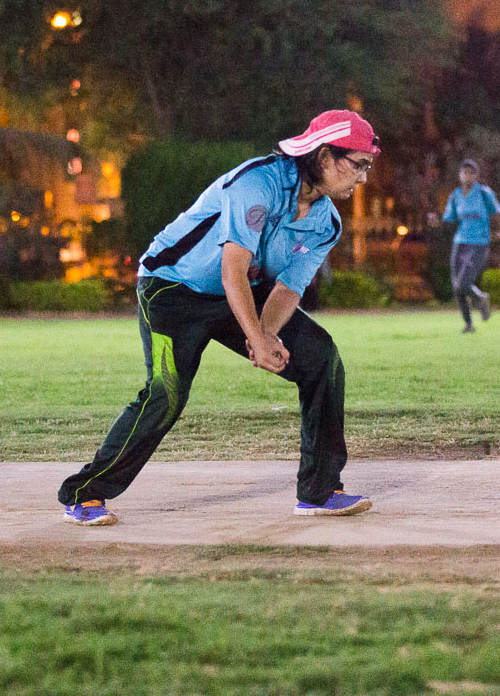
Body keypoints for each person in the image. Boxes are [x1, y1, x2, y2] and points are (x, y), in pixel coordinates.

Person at [59, 109, 378, 526]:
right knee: (167, 392)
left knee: (321, 358)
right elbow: (232, 269)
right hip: (172, 289)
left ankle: (319, 491)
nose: (363, 178)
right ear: (323, 157)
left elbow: (288, 289)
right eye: (358, 165)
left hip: (239, 291)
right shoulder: (258, 184)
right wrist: (256, 338)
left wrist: (265, 335)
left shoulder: (326, 224)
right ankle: (84, 494)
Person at [439, 159, 500, 333]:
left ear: (476, 176)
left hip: (479, 243)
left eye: (471, 173)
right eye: (464, 172)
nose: (467, 176)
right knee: (457, 286)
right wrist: (436, 221)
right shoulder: (455, 196)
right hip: (460, 242)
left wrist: (497, 232)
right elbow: (449, 218)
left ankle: (481, 298)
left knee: (463, 283)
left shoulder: (484, 193)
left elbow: (498, 213)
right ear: (459, 175)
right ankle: (468, 324)